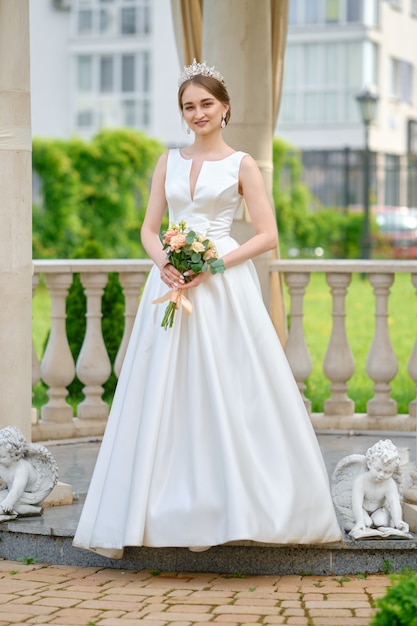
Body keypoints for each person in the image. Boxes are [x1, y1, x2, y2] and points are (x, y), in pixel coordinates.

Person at [73, 59, 342, 558]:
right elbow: (149, 229)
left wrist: (212, 264)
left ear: (225, 108)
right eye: (188, 106)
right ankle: (157, 508)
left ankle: (240, 506)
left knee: (231, 390)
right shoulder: (166, 161)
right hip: (171, 285)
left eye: (206, 104)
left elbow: (268, 235)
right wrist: (167, 266)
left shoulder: (241, 165)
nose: (198, 113)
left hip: (221, 289)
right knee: (165, 393)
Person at [350, 439, 409, 535]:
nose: (382, 475)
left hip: (378, 509)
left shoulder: (389, 483)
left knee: (381, 522)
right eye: (378, 469)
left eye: (388, 472)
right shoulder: (361, 481)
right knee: (366, 523)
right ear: (370, 464)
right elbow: (357, 504)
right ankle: (359, 522)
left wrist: (398, 521)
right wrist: (359, 521)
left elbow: (394, 503)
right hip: (362, 509)